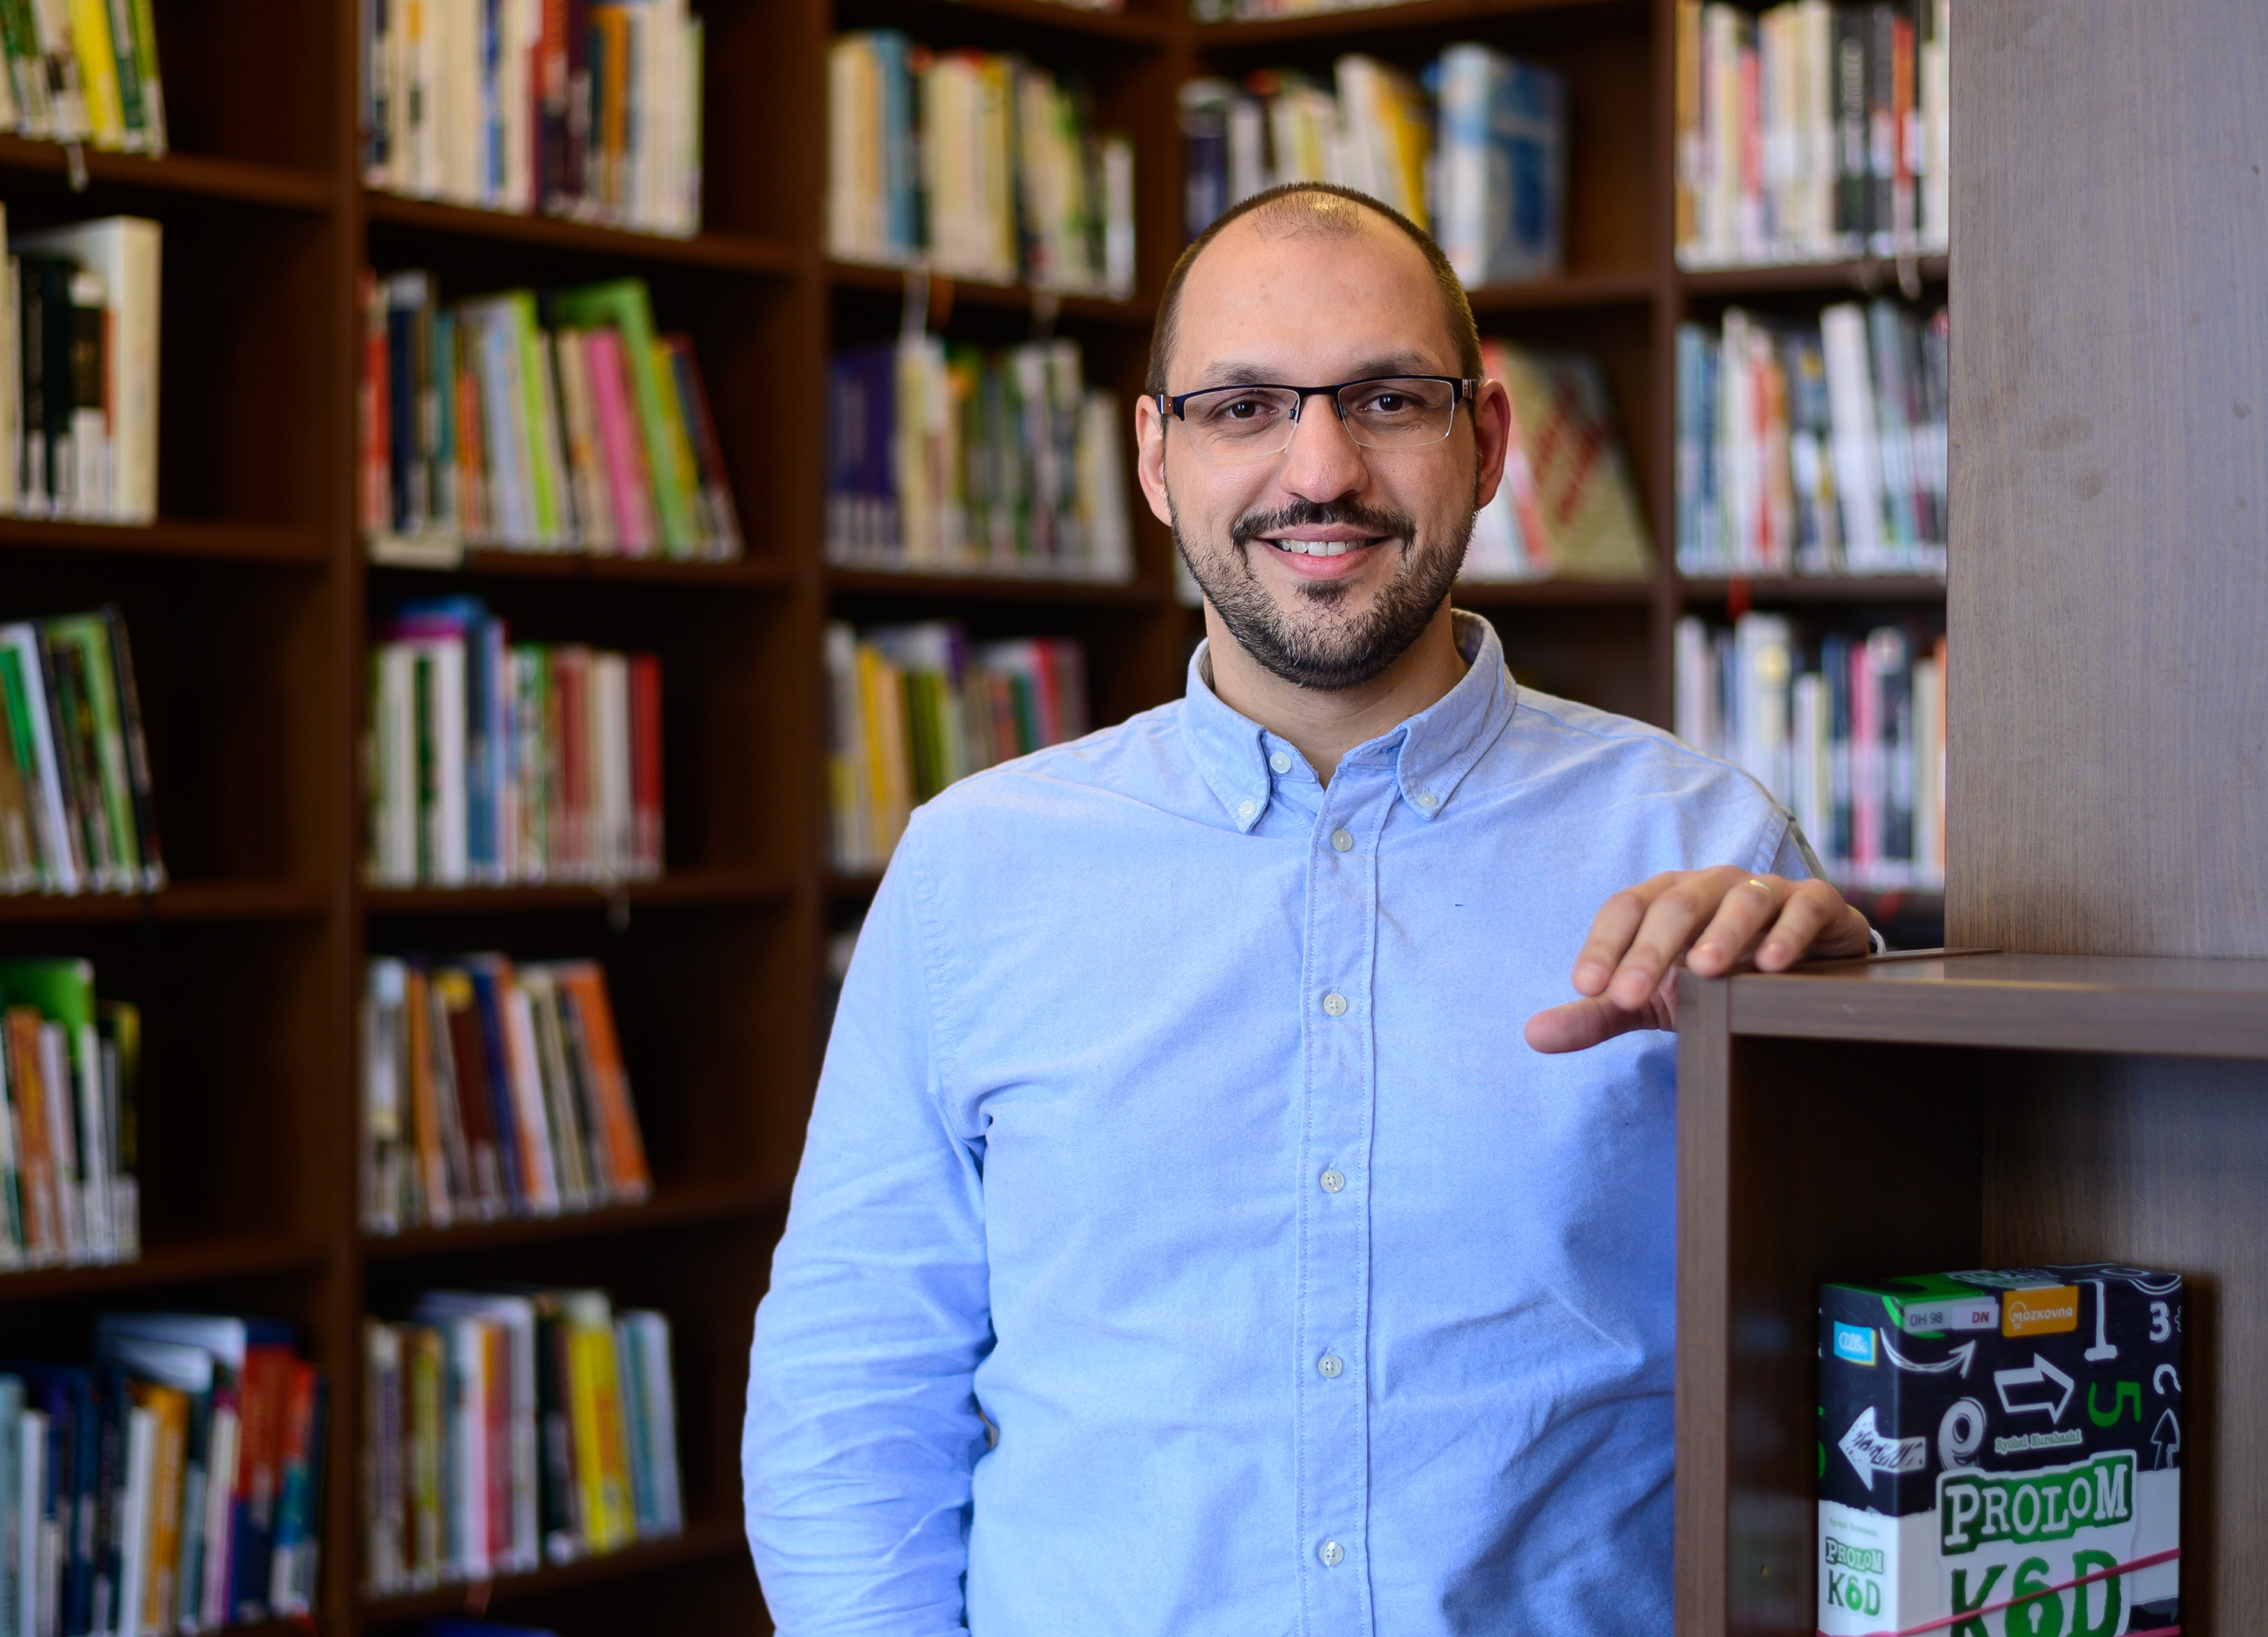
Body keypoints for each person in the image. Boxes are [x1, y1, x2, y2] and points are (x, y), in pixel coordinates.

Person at [744, 183, 1875, 1635]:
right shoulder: (973, 870)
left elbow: (1848, 1379)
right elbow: (850, 1398)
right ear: (1153, 458)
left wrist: (1852, 1038)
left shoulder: (1704, 845)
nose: (1320, 469)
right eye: (1241, 409)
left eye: (1387, 400)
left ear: (1486, 443)